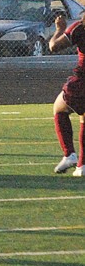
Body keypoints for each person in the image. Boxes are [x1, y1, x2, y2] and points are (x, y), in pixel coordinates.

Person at [48, 9, 85, 174]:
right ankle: (81, 165)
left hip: (82, 81)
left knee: (59, 108)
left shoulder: (79, 27)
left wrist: (59, 29)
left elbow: (53, 46)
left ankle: (70, 154)